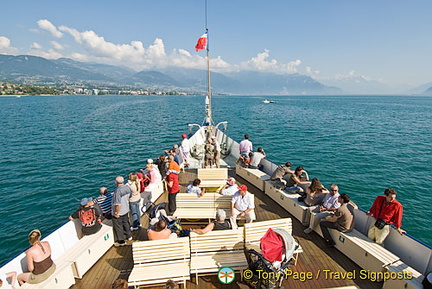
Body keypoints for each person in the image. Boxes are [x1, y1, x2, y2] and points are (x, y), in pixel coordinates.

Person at [112, 176, 132, 247]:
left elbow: (118, 204)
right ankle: (129, 235)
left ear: (116, 182)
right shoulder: (128, 188)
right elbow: (130, 196)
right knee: (126, 222)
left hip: (120, 212)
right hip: (126, 209)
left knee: (118, 226)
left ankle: (121, 241)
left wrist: (116, 213)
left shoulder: (117, 191)